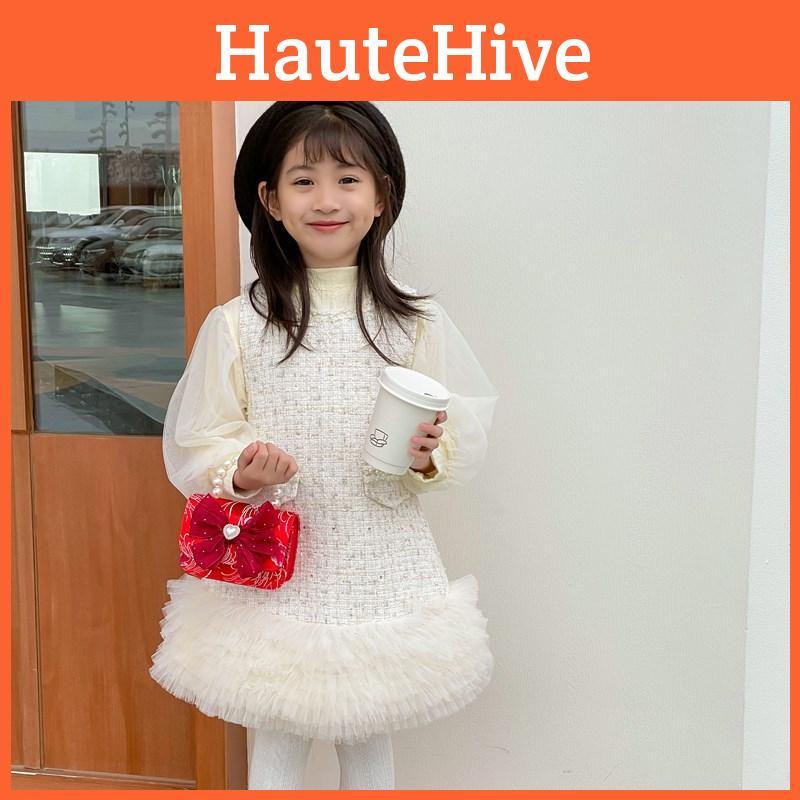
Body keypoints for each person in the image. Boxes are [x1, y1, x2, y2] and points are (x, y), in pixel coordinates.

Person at [149, 101, 500, 790]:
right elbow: (199, 438)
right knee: (276, 732)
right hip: (277, 565)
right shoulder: (240, 323)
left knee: (367, 731)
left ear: (381, 196)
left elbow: (458, 427)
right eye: (304, 180)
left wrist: (428, 454)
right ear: (270, 201)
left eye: (348, 179)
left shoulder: (415, 323)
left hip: (378, 559)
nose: (327, 200)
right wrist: (243, 472)